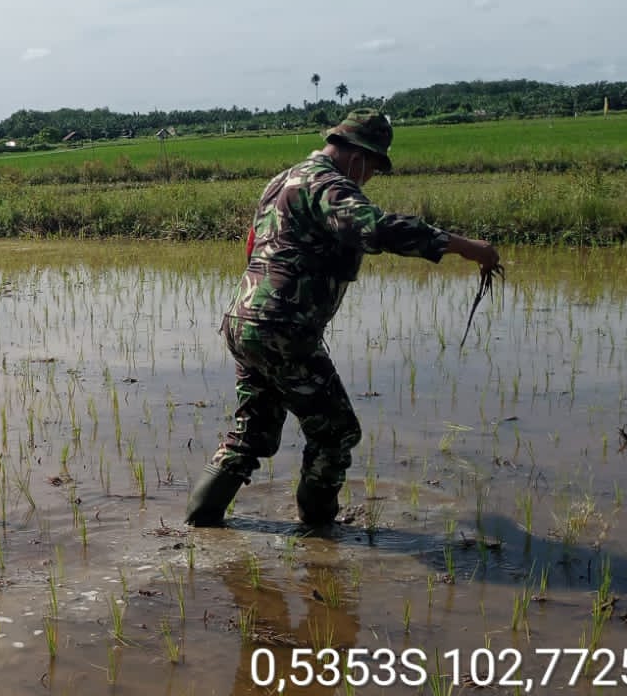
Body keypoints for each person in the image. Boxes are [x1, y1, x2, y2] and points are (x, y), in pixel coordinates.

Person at [186, 110, 501, 528]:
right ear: (357, 156)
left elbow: (253, 247)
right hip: (285, 329)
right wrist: (464, 246)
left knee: (254, 431)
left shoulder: (282, 180)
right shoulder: (328, 184)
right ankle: (319, 537)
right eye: (370, 169)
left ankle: (197, 528)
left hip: (245, 323)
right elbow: (375, 228)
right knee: (336, 433)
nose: (367, 179)